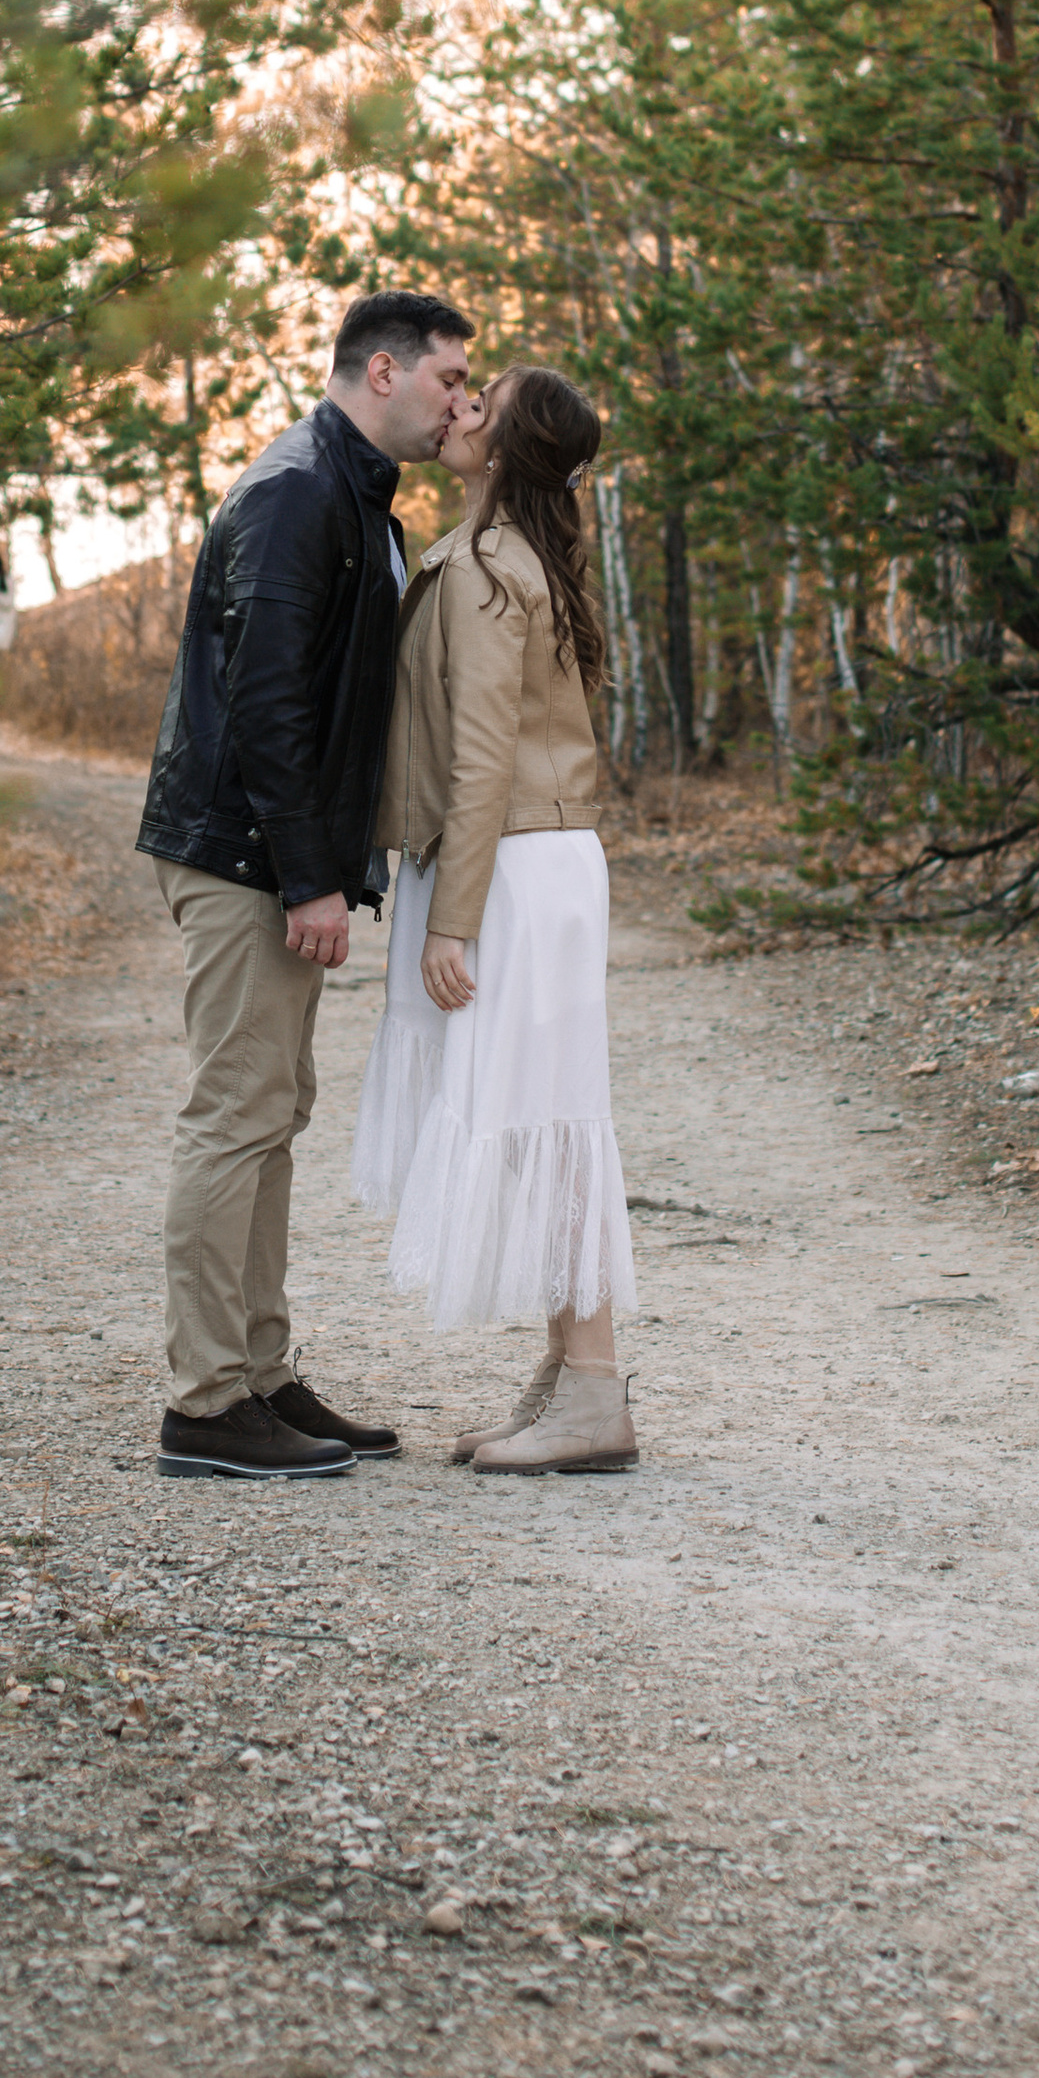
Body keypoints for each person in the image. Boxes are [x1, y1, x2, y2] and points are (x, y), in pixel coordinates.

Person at [137, 290, 475, 1478]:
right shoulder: (295, 491)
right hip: (243, 854)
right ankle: (204, 1403)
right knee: (236, 1114)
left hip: (270, 856)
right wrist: (303, 878)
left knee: (271, 1114)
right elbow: (265, 701)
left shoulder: (355, 493)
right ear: (383, 371)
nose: (458, 404)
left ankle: (261, 1376)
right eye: (448, 379)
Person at [351, 365, 639, 1473]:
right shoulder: (507, 554)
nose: (459, 409)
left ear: (509, 450)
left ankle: (595, 1391)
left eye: (483, 405)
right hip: (533, 861)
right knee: (542, 1121)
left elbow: (480, 762)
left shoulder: (484, 568)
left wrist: (449, 922)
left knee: (546, 1127)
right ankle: (571, 1381)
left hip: (512, 868)